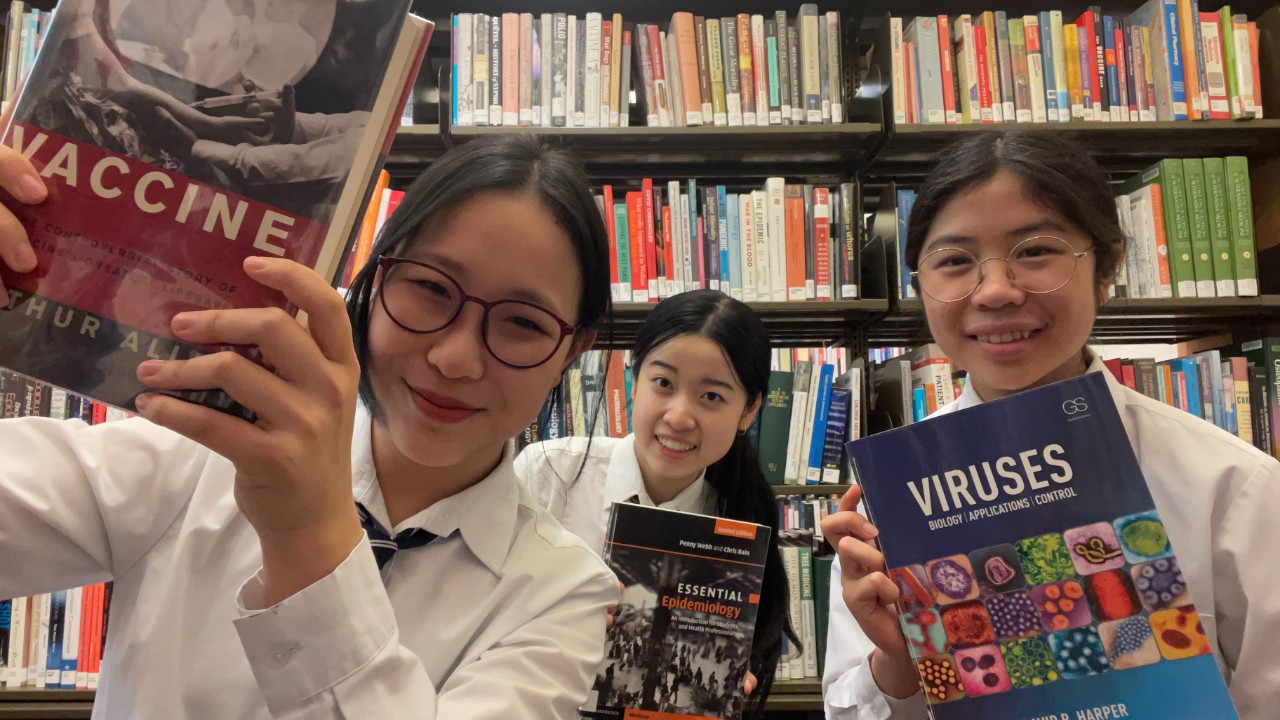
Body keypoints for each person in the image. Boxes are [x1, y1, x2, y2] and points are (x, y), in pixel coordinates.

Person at [0, 134, 622, 718]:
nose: (454, 359)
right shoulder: (204, 450)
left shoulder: (563, 593)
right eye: (431, 288)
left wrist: (309, 534)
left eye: (523, 323)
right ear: (373, 284)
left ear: (573, 352)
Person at [821, 131, 1280, 719]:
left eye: (1035, 250)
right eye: (955, 261)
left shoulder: (1230, 485)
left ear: (1107, 267)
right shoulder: (892, 502)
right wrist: (901, 667)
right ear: (921, 288)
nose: (995, 291)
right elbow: (848, 710)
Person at [515, 289, 801, 714]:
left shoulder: (736, 525)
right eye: (663, 383)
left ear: (749, 411)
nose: (679, 417)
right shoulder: (551, 474)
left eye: (712, 397)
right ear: (634, 377)